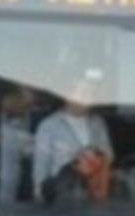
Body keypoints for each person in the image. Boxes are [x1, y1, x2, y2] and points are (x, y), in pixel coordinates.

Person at [32, 72, 113, 203]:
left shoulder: (98, 123)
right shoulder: (49, 126)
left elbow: (108, 157)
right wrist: (40, 199)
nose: (86, 98)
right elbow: (40, 170)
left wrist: (94, 160)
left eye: (90, 93)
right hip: (60, 205)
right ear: (66, 94)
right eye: (81, 92)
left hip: (94, 202)